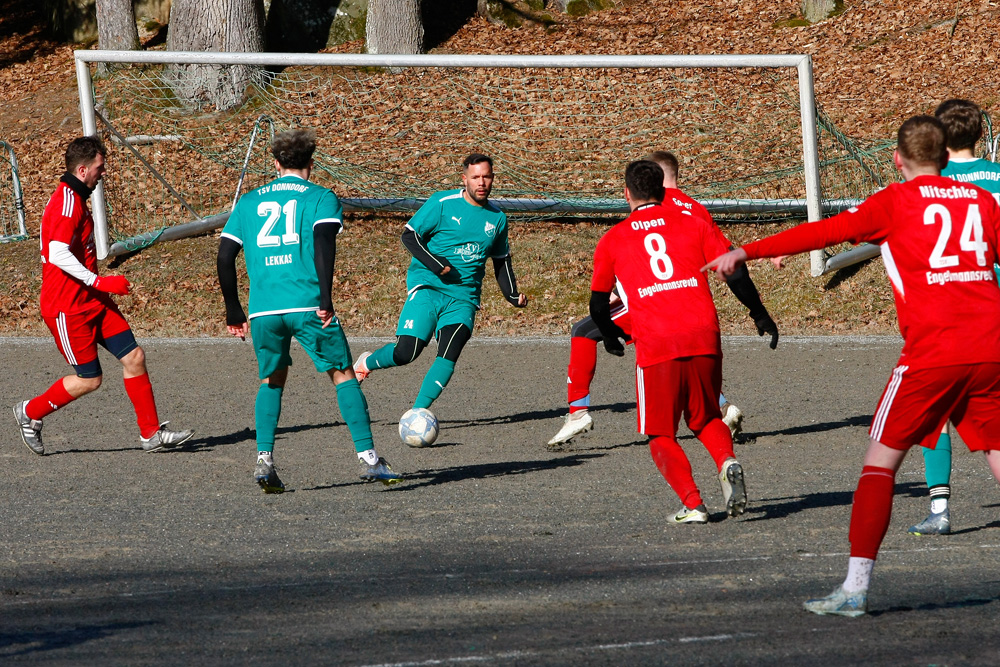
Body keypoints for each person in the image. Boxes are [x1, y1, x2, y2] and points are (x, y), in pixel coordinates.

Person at [706, 115, 1000, 616]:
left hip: (934, 353)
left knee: (879, 466)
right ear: (947, 158)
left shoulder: (894, 201)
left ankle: (855, 588)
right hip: (993, 345)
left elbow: (827, 231)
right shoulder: (982, 202)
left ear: (897, 158)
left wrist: (747, 251)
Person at [548, 150, 778, 448]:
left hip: (650, 298)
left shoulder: (652, 204)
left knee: (583, 331)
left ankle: (578, 413)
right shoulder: (696, 210)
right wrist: (757, 310)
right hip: (692, 302)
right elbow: (732, 262)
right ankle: (721, 408)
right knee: (685, 355)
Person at [217, 129, 401, 493]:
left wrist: (233, 309)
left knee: (272, 379)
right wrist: (326, 300)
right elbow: (322, 244)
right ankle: (369, 459)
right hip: (307, 304)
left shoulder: (250, 201)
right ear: (311, 165)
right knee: (343, 373)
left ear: (275, 163)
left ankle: (264, 459)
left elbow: (224, 256)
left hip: (264, 311)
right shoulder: (320, 197)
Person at [13, 136, 193, 455]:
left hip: (92, 301)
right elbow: (57, 254)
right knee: (90, 380)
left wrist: (96, 288)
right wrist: (99, 282)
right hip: (68, 309)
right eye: (100, 167)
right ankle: (29, 413)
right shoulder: (67, 203)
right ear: (83, 170)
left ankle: (151, 434)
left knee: (134, 356)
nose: (103, 172)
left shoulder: (76, 198)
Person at [590, 159, 748, 524]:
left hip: (657, 344)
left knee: (660, 433)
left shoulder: (613, 239)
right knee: (706, 416)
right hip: (704, 336)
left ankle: (693, 504)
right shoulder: (694, 223)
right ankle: (727, 461)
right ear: (663, 191)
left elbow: (599, 305)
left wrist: (612, 338)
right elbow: (734, 270)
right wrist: (758, 313)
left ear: (626, 193)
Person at [352, 154, 527, 425]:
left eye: (487, 177)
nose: (482, 183)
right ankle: (365, 364)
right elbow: (409, 235)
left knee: (450, 350)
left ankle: (417, 413)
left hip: (464, 298)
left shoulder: (498, 219)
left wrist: (513, 295)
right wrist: (437, 265)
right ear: (464, 179)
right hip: (428, 287)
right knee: (407, 352)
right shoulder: (442, 203)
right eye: (476, 177)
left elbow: (502, 261)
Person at [909, 99, 1000, 536]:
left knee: (938, 410)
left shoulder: (935, 182)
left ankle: (940, 508)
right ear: (981, 133)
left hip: (957, 309)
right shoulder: (999, 177)